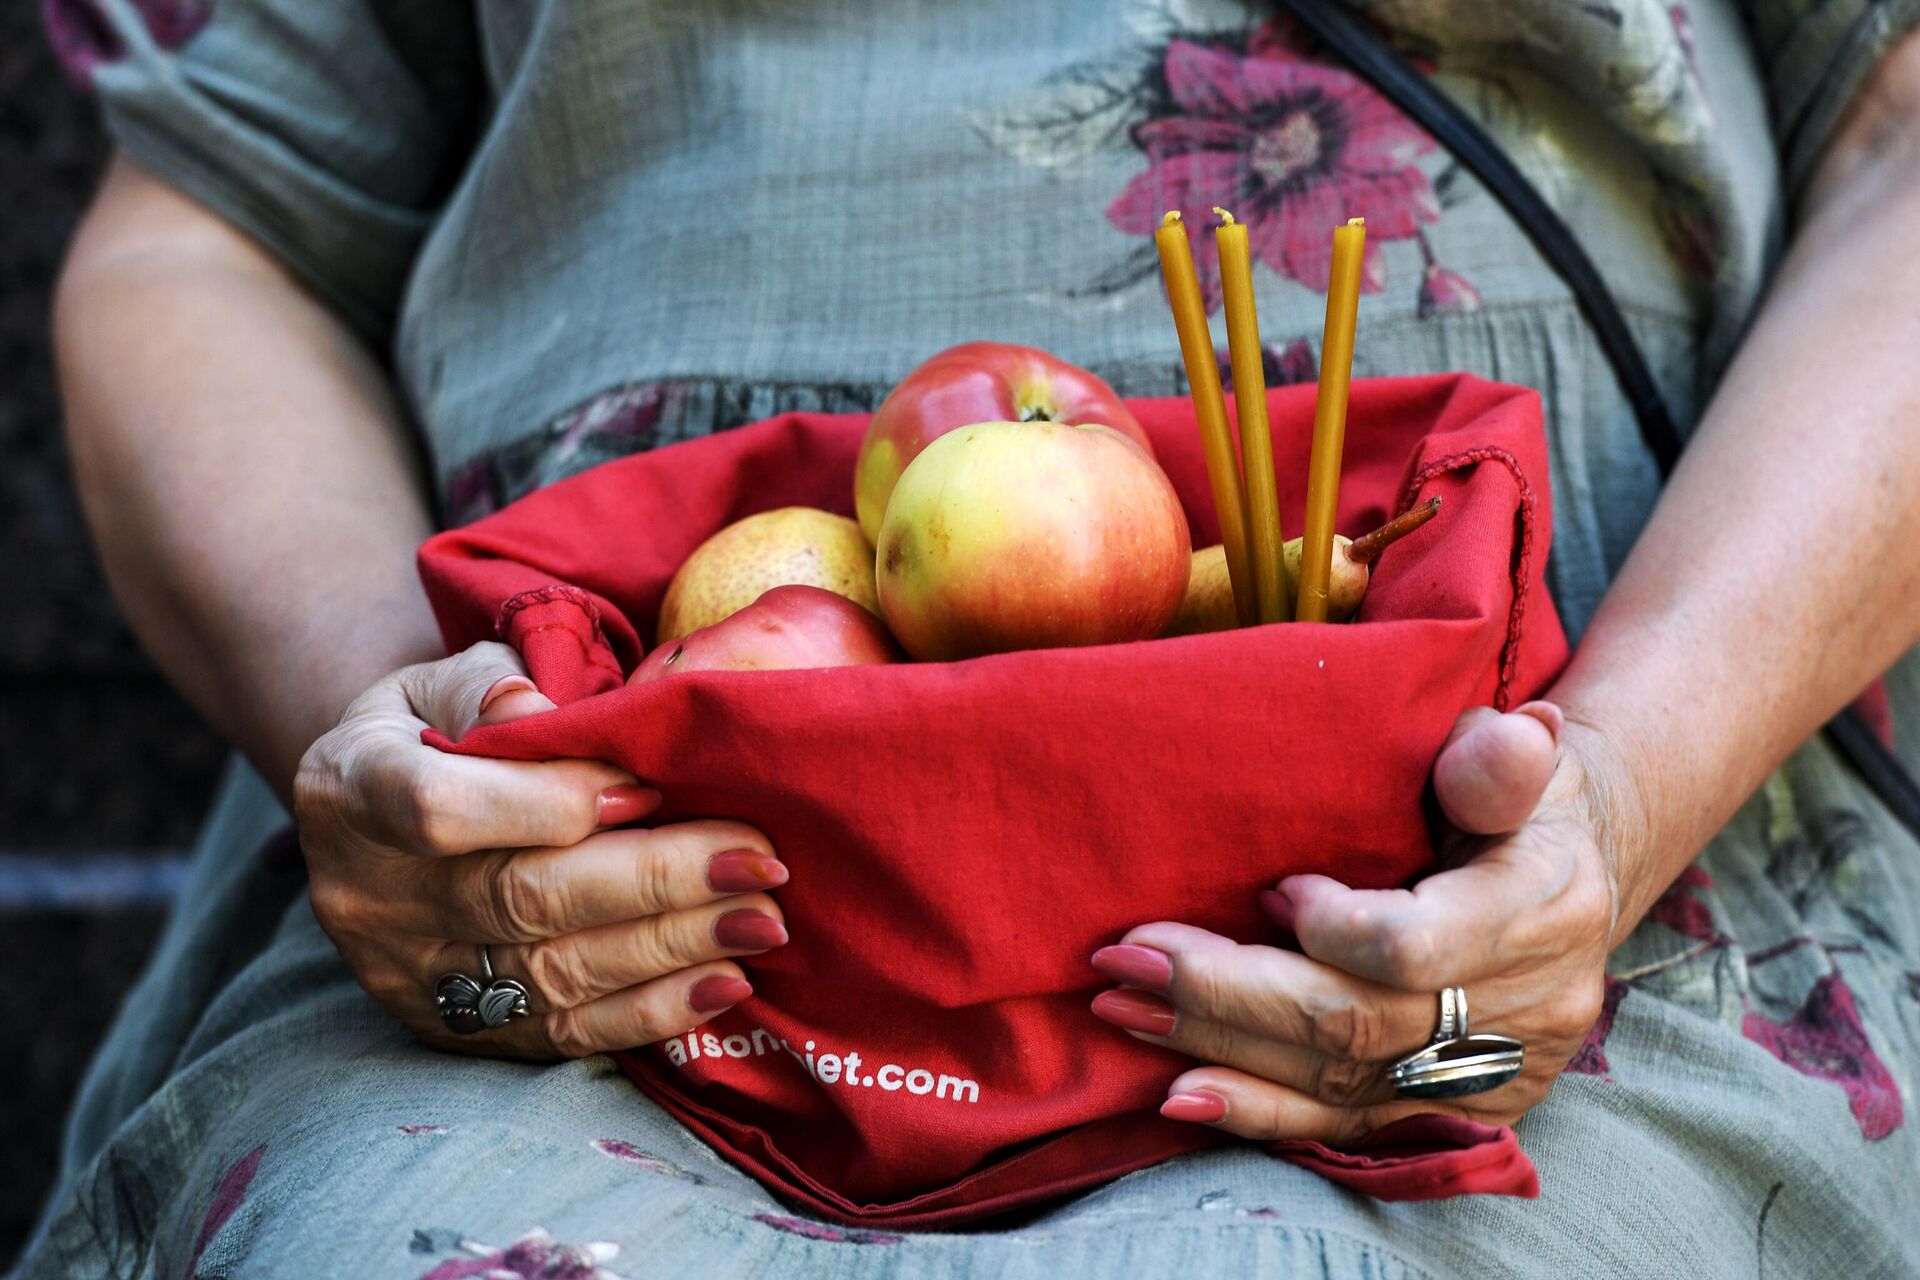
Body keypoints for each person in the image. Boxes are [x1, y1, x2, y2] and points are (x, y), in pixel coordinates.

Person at [19, 1, 1920, 1275]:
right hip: (582, 900)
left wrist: (1614, 812)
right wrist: (422, 782)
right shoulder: (506, 901)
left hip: (1524, 874)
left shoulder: (1549, 885)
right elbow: (210, 227)